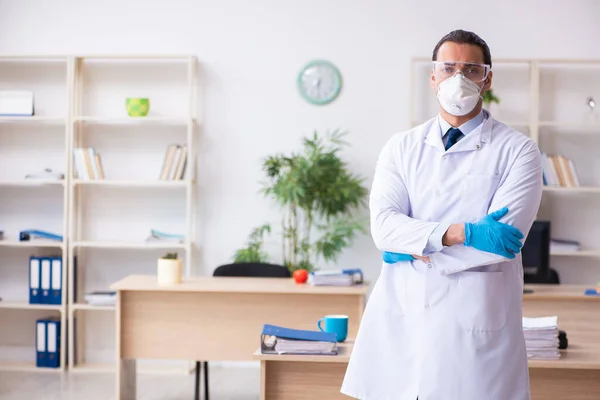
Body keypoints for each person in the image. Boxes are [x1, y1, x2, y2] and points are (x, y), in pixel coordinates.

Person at [340, 29, 543, 400]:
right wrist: (459, 233)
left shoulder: (519, 151)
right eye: (448, 68)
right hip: (402, 322)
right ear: (433, 76)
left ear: (487, 78)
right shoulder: (401, 147)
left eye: (471, 69)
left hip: (474, 331)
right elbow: (383, 228)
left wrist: (416, 244)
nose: (459, 79)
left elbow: (502, 242)